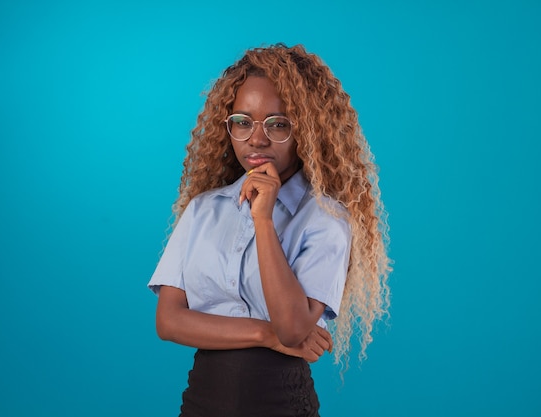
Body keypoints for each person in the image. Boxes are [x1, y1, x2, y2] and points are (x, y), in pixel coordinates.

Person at [148, 43, 391, 417]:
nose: (256, 139)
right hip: (203, 400)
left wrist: (263, 219)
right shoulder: (203, 211)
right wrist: (264, 335)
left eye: (277, 124)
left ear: (305, 131)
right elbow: (169, 321)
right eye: (242, 122)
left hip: (280, 402)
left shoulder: (326, 219)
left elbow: (293, 327)